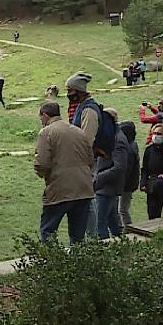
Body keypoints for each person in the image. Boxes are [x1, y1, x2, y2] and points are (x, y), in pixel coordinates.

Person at [34, 102, 94, 245]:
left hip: (59, 189)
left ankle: (49, 263)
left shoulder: (46, 132)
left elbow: (42, 163)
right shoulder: (78, 131)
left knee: (48, 230)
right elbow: (90, 158)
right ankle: (77, 263)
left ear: (45, 115)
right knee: (78, 235)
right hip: (83, 188)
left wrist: (43, 174)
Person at [66, 72, 100, 238]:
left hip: (86, 161)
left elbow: (87, 140)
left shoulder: (89, 111)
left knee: (88, 197)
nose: (68, 94)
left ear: (78, 91)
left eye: (70, 90)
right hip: (80, 160)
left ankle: (93, 236)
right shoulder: (81, 106)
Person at [94, 110, 128, 239]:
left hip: (107, 188)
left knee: (100, 223)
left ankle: (104, 251)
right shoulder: (112, 136)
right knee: (113, 221)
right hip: (108, 187)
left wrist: (99, 178)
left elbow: (119, 167)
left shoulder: (118, 140)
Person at [118, 121, 140, 228]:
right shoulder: (133, 145)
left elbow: (127, 170)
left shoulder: (129, 150)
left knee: (122, 210)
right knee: (122, 209)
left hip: (126, 184)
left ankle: (128, 229)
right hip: (129, 183)